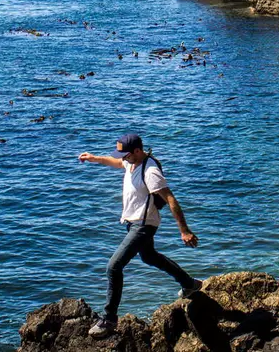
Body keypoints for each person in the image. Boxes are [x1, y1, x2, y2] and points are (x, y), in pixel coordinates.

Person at [77, 132, 202, 337]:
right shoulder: (131, 161)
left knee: (114, 266)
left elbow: (170, 198)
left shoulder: (150, 171)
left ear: (137, 151)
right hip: (132, 222)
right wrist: (94, 158)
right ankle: (190, 284)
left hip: (143, 226)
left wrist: (184, 230)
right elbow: (117, 163)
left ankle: (109, 319)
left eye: (126, 154)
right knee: (150, 257)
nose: (123, 158)